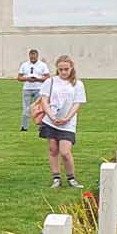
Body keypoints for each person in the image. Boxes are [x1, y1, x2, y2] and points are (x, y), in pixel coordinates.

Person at [37, 55, 85, 188]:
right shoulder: (50, 82)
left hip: (68, 123)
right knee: (53, 149)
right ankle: (56, 177)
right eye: (61, 69)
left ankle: (71, 178)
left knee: (65, 151)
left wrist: (67, 118)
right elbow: (44, 100)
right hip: (51, 120)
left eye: (66, 69)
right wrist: (51, 116)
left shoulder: (78, 84)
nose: (63, 72)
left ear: (71, 68)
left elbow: (77, 103)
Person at [17, 48, 50, 131]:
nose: (32, 59)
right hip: (27, 89)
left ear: (37, 56)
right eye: (31, 57)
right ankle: (24, 127)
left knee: (39, 108)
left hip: (39, 88)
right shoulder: (24, 65)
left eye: (34, 57)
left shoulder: (42, 65)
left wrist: (38, 79)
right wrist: (27, 78)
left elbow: (47, 77)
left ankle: (41, 126)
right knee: (26, 109)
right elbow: (19, 77)